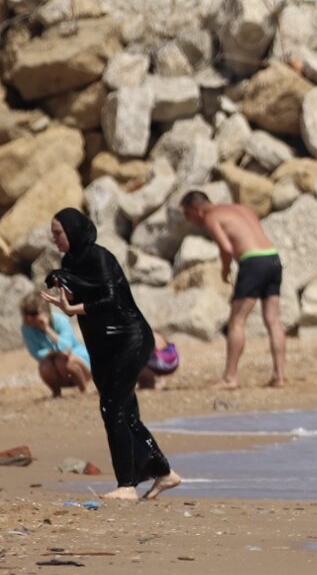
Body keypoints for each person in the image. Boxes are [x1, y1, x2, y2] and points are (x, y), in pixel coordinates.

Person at [41, 207, 181, 500]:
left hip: (130, 338)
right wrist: (65, 289)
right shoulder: (71, 261)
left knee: (112, 407)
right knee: (123, 410)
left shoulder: (99, 257)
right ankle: (164, 472)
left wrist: (72, 308)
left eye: (58, 233)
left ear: (73, 230)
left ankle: (127, 485)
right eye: (53, 233)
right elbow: (82, 296)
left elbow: (111, 299)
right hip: (101, 345)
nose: (54, 239)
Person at [179, 190, 286, 389]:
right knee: (273, 319)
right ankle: (279, 376)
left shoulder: (211, 216)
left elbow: (227, 248)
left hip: (252, 262)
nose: (188, 221)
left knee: (237, 320)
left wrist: (225, 269)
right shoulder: (241, 209)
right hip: (272, 258)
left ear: (197, 209)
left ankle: (230, 377)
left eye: (187, 214)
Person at [19, 291, 91, 397]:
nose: (29, 318)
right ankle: (56, 393)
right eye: (26, 314)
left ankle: (83, 389)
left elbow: (67, 347)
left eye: (33, 314)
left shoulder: (60, 321)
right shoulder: (27, 329)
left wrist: (47, 329)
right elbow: (36, 352)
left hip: (80, 361)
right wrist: (54, 353)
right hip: (54, 363)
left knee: (63, 361)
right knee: (45, 366)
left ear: (45, 312)